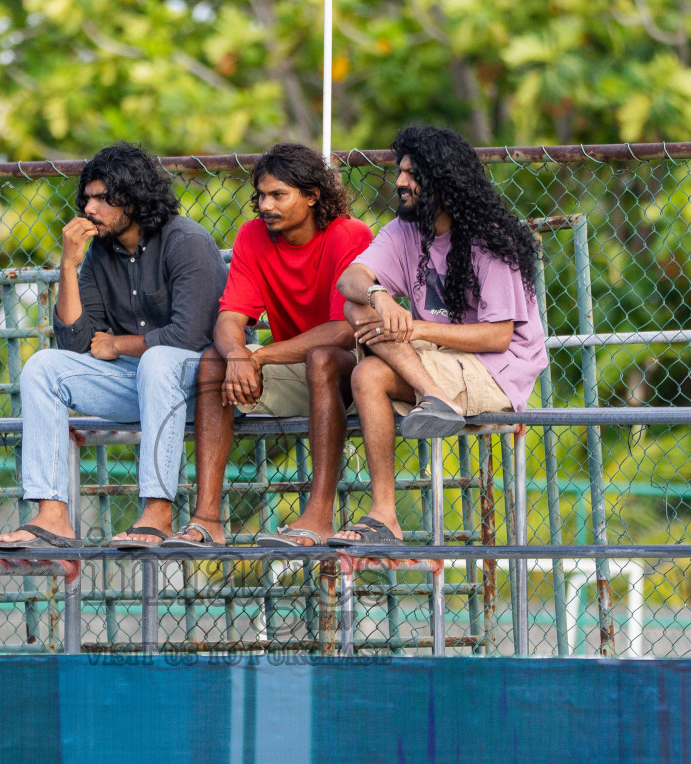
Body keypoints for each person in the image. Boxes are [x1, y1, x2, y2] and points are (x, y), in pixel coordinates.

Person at [0, 141, 226, 551]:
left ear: (134, 200)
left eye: (103, 199)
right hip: (137, 384)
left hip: (201, 387)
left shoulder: (186, 240)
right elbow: (76, 342)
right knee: (44, 367)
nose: (90, 209)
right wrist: (68, 263)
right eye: (87, 199)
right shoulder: (99, 252)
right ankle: (52, 515)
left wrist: (120, 343)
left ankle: (158, 512)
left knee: (157, 360)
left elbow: (190, 336)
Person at [330, 125, 546, 546]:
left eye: (412, 174)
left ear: (443, 181)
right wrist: (379, 296)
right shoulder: (405, 229)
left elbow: (499, 336)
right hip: (436, 358)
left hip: (495, 368)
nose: (400, 182)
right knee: (355, 306)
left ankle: (383, 514)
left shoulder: (490, 237)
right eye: (401, 171)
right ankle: (434, 401)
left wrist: (413, 325)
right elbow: (351, 280)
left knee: (367, 376)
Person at [165, 143, 374, 549]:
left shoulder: (351, 234)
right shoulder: (252, 236)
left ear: (313, 196)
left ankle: (318, 517)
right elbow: (229, 318)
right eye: (261, 195)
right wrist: (237, 355)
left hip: (357, 368)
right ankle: (208, 520)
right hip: (294, 367)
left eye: (278, 195)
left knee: (322, 358)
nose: (265, 205)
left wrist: (257, 355)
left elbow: (342, 332)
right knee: (212, 362)